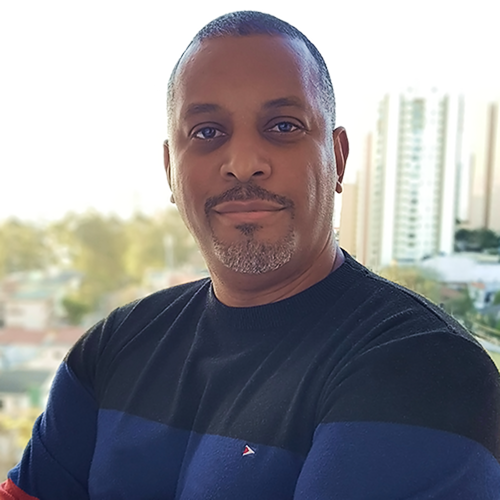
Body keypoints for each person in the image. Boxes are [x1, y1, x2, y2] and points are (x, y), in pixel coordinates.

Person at [2, 10, 500, 500]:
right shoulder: (112, 348)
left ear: (338, 157)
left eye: (283, 126)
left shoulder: (427, 369)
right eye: (207, 132)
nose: (243, 164)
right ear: (170, 168)